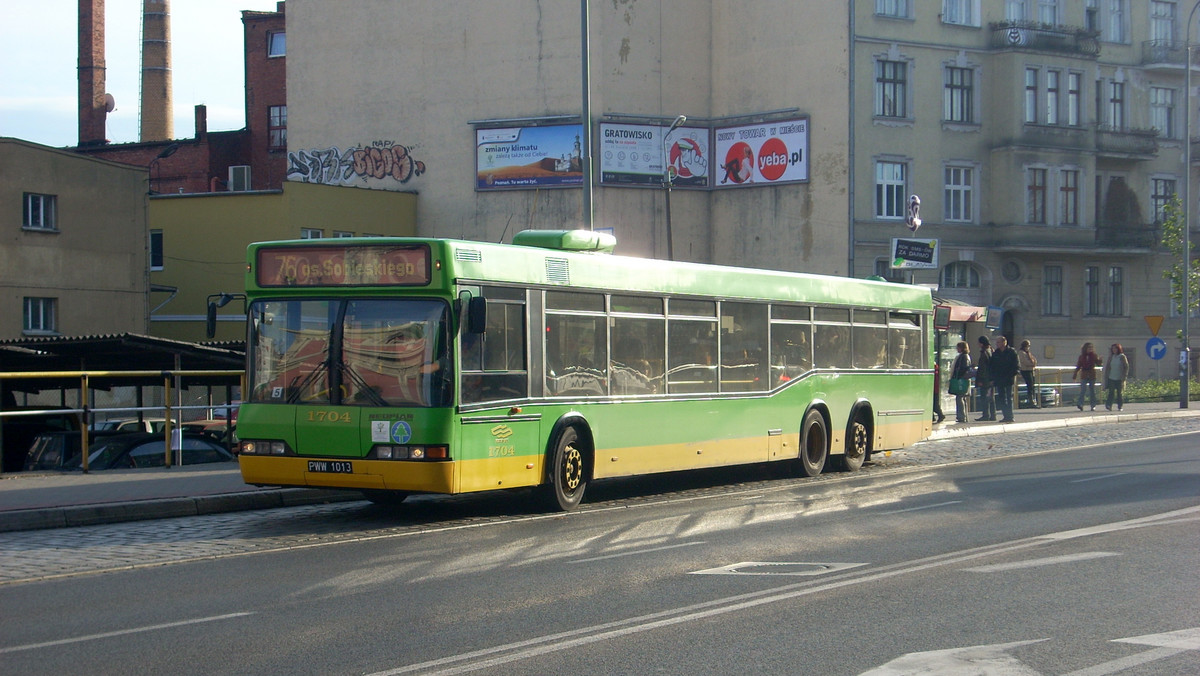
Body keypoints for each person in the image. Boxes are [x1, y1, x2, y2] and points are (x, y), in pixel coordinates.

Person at [990, 336, 1020, 423]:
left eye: (998, 342)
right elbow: (992, 366)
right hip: (999, 379)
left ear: (1004, 342)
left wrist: (1012, 374)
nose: (997, 344)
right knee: (1001, 398)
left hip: (1008, 378)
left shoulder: (1011, 352)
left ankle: (1010, 416)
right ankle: (1005, 415)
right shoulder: (996, 353)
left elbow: (1016, 365)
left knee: (1008, 397)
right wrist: (993, 378)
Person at [1073, 342, 1102, 411]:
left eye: (1091, 348)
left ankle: (1093, 405)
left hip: (1092, 375)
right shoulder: (1082, 356)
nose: (1090, 349)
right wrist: (1075, 375)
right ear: (1085, 348)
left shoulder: (1094, 355)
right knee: (1083, 390)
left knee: (1092, 391)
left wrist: (1100, 360)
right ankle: (1080, 404)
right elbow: (1078, 366)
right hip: (1084, 374)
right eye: (1089, 348)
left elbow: (1098, 364)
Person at [950, 340, 972, 423]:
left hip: (962, 380)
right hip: (962, 379)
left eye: (958, 347)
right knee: (962, 398)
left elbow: (963, 368)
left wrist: (958, 376)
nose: (957, 349)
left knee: (960, 398)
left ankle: (961, 417)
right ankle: (963, 416)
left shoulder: (964, 356)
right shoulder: (963, 356)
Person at [974, 336, 995, 421]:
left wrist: (979, 380)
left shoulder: (984, 353)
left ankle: (986, 415)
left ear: (981, 343)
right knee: (990, 397)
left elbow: (983, 368)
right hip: (990, 378)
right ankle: (992, 415)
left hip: (985, 379)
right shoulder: (991, 350)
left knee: (984, 397)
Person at [1105, 343, 1130, 411]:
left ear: (1118, 349)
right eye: (1113, 349)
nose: (1114, 350)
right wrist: (1106, 376)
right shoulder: (1111, 357)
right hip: (1111, 377)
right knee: (1111, 392)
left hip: (1120, 378)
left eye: (1115, 348)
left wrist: (1124, 376)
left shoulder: (1122, 356)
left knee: (1119, 393)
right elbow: (1108, 367)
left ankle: (1120, 406)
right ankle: (1109, 405)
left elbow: (1126, 366)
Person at [1017, 339, 1038, 408]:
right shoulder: (1021, 353)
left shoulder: (1028, 353)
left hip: (1031, 370)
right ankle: (1030, 401)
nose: (1028, 347)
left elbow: (1034, 360)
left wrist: (1033, 363)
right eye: (1028, 346)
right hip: (1025, 370)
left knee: (1032, 386)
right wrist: (1032, 364)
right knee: (1029, 386)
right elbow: (1025, 362)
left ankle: (1034, 401)